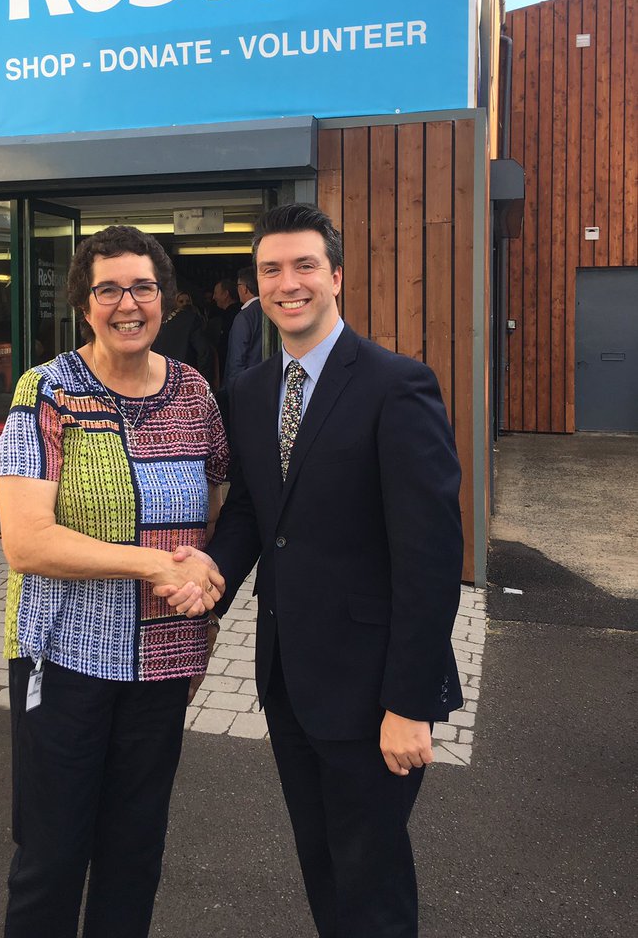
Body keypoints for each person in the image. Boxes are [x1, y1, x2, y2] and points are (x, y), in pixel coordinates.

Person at [164, 203, 464, 938]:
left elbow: (431, 558)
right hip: (289, 682)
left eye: (304, 266)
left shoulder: (398, 385)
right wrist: (210, 574)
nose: (287, 283)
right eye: (271, 270)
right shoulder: (251, 391)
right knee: (324, 866)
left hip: (372, 690)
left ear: (336, 276)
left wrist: (410, 702)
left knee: (371, 881)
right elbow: (252, 514)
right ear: (257, 284)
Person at [0, 225, 229, 938]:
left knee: (134, 852)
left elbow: (218, 510)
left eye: (143, 287)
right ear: (83, 303)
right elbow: (27, 542)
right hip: (65, 657)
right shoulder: (48, 390)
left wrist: (205, 590)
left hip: (163, 661)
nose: (129, 304)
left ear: (166, 298)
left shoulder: (194, 393)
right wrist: (153, 563)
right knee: (53, 854)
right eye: (109, 290)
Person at [152, 287, 215, 382]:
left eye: (187, 301)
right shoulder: (190, 319)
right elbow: (204, 352)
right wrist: (204, 381)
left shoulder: (152, 325)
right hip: (187, 380)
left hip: (159, 382)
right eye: (181, 301)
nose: (185, 304)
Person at [222, 265, 263, 392]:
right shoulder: (270, 311)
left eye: (238, 285)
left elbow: (237, 359)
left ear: (245, 288)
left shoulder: (244, 317)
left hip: (246, 387)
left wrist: (233, 389)